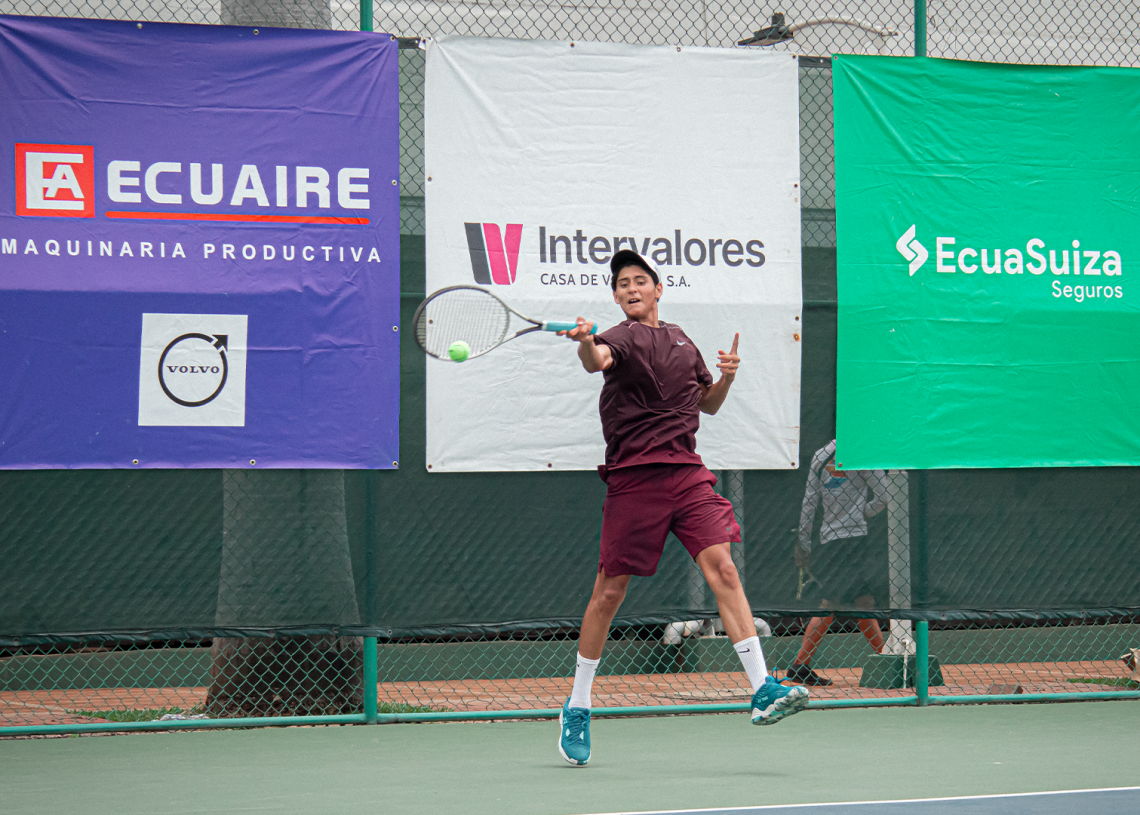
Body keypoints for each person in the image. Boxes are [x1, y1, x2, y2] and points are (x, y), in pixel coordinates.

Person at [555, 250, 808, 766]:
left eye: (639, 280)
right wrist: (584, 341)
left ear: (657, 288)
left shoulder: (681, 340)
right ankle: (578, 704)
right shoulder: (622, 337)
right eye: (622, 283)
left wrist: (727, 377)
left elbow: (706, 404)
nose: (631, 288)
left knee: (724, 570)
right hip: (634, 480)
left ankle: (762, 689)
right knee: (609, 592)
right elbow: (597, 360)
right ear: (616, 297)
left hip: (687, 473)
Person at [787, 439, 890, 686]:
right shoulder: (862, 451)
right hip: (854, 539)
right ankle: (800, 665)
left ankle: (886, 661)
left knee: (862, 602)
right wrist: (863, 513)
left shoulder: (820, 455)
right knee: (833, 603)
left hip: (829, 539)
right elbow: (885, 495)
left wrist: (804, 542)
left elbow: (809, 502)